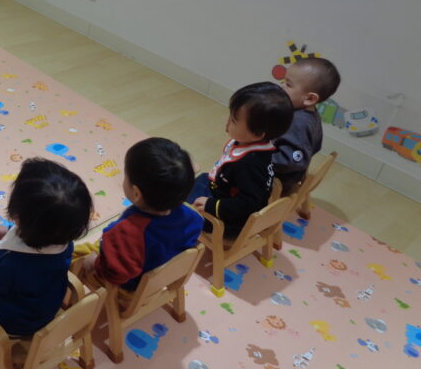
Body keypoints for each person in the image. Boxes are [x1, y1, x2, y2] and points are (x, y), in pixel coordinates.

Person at [0, 158, 93, 353]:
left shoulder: (10, 261)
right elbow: (40, 240)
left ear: (17, 217)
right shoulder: (65, 243)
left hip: (12, 321)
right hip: (46, 307)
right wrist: (9, 233)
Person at [73, 137, 204, 291]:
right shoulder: (194, 217)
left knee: (73, 256)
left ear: (136, 193)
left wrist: (95, 263)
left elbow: (115, 274)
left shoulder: (128, 234)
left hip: (131, 286)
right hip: (159, 273)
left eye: (126, 176)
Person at [188, 82, 294, 238]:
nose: (227, 122)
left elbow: (249, 204)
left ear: (257, 134)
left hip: (231, 220)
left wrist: (212, 205)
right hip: (222, 190)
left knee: (179, 208)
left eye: (233, 121)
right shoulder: (251, 144)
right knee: (197, 180)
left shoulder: (249, 164)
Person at [273, 57, 341, 193]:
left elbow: (290, 161)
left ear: (310, 99)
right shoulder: (310, 115)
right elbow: (314, 147)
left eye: (288, 84)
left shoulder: (298, 124)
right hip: (292, 172)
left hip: (279, 180)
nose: (281, 86)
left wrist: (256, 156)